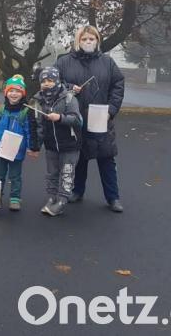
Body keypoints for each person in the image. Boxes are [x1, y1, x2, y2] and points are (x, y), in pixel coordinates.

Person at [56, 25, 125, 212]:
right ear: (78, 41)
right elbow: (54, 83)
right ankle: (77, 191)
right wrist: (69, 87)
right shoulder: (64, 62)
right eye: (84, 39)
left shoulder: (108, 62)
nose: (88, 42)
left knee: (106, 158)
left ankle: (113, 197)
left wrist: (111, 109)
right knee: (79, 157)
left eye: (92, 39)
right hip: (75, 117)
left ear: (97, 41)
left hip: (101, 117)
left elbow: (118, 84)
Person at [31, 67, 83, 216]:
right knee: (51, 174)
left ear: (57, 81)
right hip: (51, 146)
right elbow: (40, 126)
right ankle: (51, 198)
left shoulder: (69, 98)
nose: (47, 84)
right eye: (44, 81)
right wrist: (36, 147)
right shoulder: (39, 101)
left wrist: (60, 118)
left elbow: (77, 120)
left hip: (70, 145)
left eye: (50, 80)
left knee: (67, 174)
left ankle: (62, 200)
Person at [0, 75, 40, 211]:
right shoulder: (1, 109)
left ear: (22, 94)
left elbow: (30, 131)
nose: (14, 94)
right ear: (6, 92)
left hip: (17, 150)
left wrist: (32, 147)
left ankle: (15, 198)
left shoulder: (26, 111)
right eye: (11, 91)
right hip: (1, 148)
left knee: (15, 175)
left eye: (17, 91)